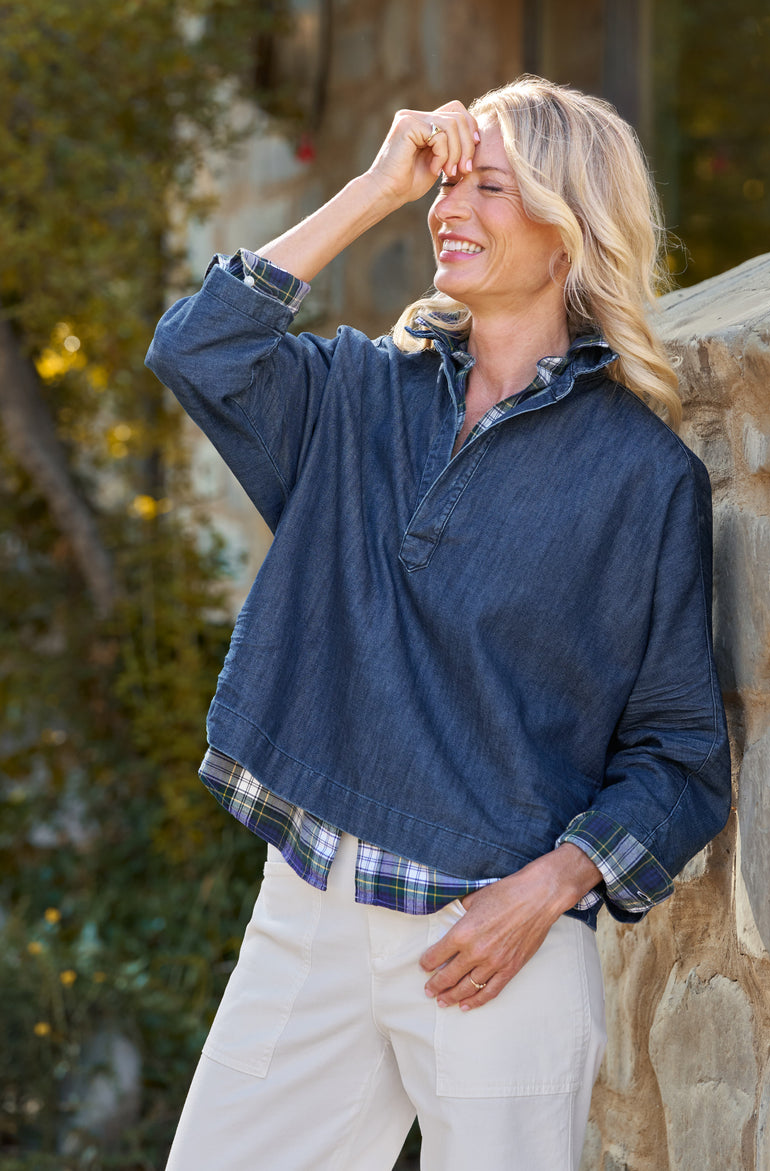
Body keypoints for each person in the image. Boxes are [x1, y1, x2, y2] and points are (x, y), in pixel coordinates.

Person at [146, 76, 731, 1171]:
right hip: (311, 907)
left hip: (491, 945)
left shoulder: (642, 478)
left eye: (490, 187)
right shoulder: (356, 395)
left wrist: (553, 886)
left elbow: (680, 754)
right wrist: (373, 187)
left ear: (569, 232)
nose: (447, 204)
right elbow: (200, 351)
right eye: (445, 182)